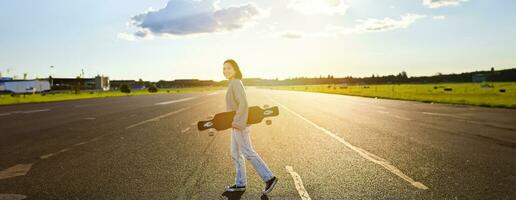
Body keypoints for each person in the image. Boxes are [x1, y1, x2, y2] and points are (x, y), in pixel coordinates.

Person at [222, 59, 278, 195]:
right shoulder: (233, 83)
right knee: (235, 153)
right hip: (235, 124)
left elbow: (243, 104)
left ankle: (269, 178)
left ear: (235, 70)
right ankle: (240, 183)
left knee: (247, 152)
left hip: (239, 124)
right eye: (224, 68)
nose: (225, 71)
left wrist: (238, 123)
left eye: (229, 68)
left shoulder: (235, 83)